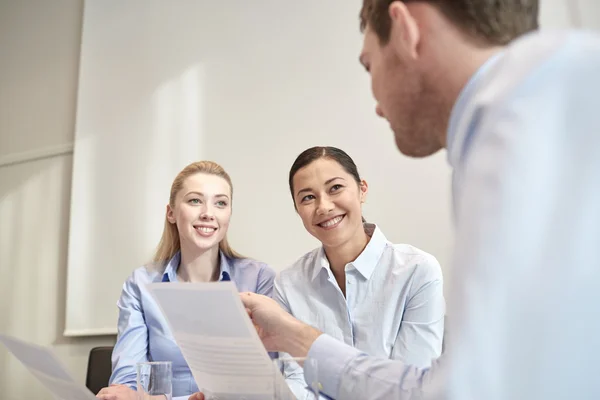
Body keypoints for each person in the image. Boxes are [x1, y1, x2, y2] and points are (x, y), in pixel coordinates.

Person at [235, 1, 600, 400]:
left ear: (405, 27)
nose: (376, 105)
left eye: (368, 65)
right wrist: (292, 337)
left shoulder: (517, 133)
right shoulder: (515, 118)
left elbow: (460, 389)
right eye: (307, 197)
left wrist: (298, 339)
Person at [96, 161, 276, 400]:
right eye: (195, 200)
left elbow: (264, 383)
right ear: (171, 212)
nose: (208, 213)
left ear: (229, 214)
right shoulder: (141, 283)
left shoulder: (259, 279)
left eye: (220, 203)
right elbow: (127, 384)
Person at [276, 146, 444, 398]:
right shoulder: (288, 283)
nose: (324, 206)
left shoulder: (418, 271)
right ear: (297, 209)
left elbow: (410, 387)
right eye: (307, 197)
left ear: (362, 189)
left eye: (335, 188)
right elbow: (297, 380)